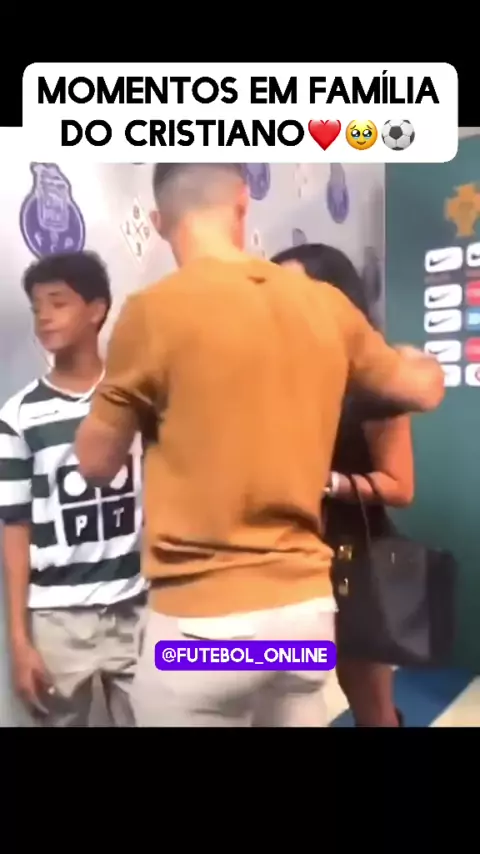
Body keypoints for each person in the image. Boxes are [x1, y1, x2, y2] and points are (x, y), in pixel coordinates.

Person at [75, 163, 444, 728]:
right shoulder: (324, 305)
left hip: (202, 633)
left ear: (158, 221)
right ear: (243, 203)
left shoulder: (152, 311)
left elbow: (96, 464)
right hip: (301, 623)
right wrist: (418, 359)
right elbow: (423, 389)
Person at [271, 242, 415, 726]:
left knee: (370, 707)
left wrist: (327, 483)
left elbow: (400, 486)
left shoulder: (374, 380)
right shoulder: (269, 377)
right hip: (281, 560)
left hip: (354, 561)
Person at [0, 251, 146, 727]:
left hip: (139, 606)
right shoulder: (18, 416)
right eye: (36, 306)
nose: (44, 316)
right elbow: (15, 525)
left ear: (97, 310)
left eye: (58, 302)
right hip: (57, 619)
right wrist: (20, 640)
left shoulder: (136, 398)